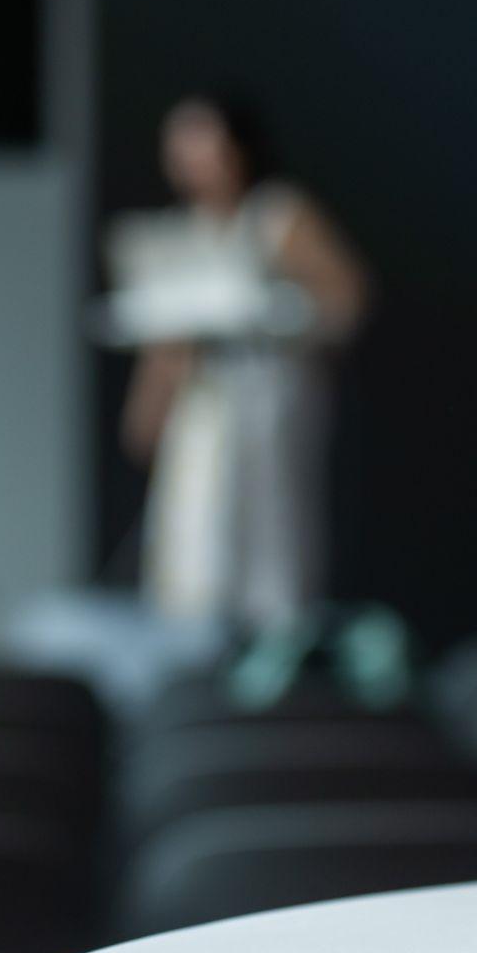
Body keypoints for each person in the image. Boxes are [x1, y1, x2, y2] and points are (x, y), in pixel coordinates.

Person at [119, 95, 369, 633]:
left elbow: (346, 299)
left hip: (267, 388)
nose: (191, 157)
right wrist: (148, 411)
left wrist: (274, 315)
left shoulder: (277, 213)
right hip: (202, 397)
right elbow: (164, 342)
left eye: (203, 141)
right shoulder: (179, 231)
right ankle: (197, 645)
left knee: (270, 527)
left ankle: (277, 640)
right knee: (195, 529)